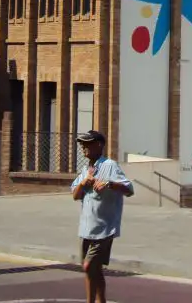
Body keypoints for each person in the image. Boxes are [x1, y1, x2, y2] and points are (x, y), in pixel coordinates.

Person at [70, 130, 134, 303]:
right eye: (82, 144)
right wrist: (83, 184)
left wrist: (110, 184)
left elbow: (129, 190)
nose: (84, 147)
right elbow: (75, 195)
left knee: (89, 266)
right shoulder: (85, 170)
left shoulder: (110, 165)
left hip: (104, 228)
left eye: (87, 143)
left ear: (99, 145)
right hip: (86, 228)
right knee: (93, 270)